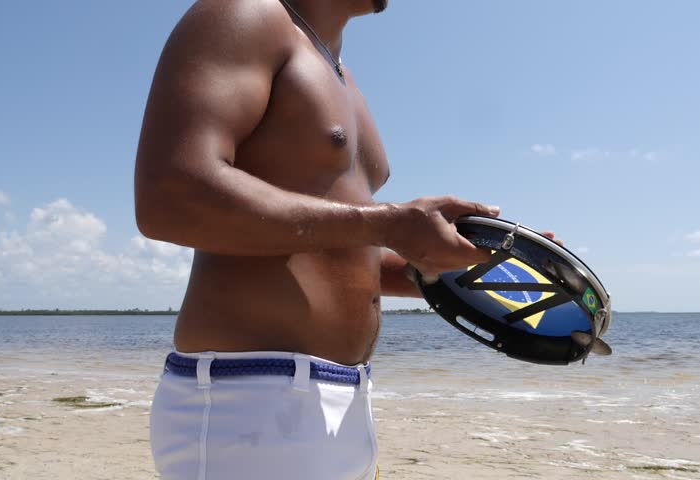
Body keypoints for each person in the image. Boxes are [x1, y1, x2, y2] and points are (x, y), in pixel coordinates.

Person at [135, 1, 552, 478]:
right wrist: (389, 224)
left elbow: (337, 247)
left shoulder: (342, 75)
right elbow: (171, 195)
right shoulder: (246, 15)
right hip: (251, 402)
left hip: (346, 400)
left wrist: (441, 267)